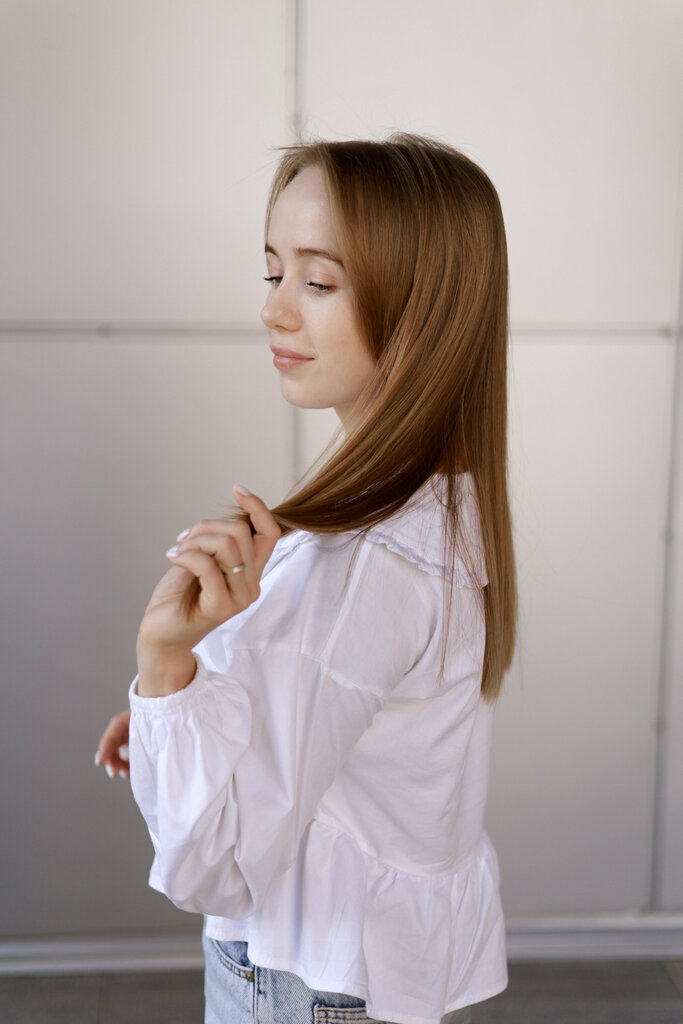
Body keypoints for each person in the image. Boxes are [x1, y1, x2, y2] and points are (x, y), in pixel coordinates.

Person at [95, 134, 517, 1024]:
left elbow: (219, 865)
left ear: (425, 311)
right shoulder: (438, 507)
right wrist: (208, 704)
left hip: (299, 984)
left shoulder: (359, 560)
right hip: (359, 974)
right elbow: (361, 749)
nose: (275, 312)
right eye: (272, 272)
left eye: (318, 283)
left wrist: (166, 670)